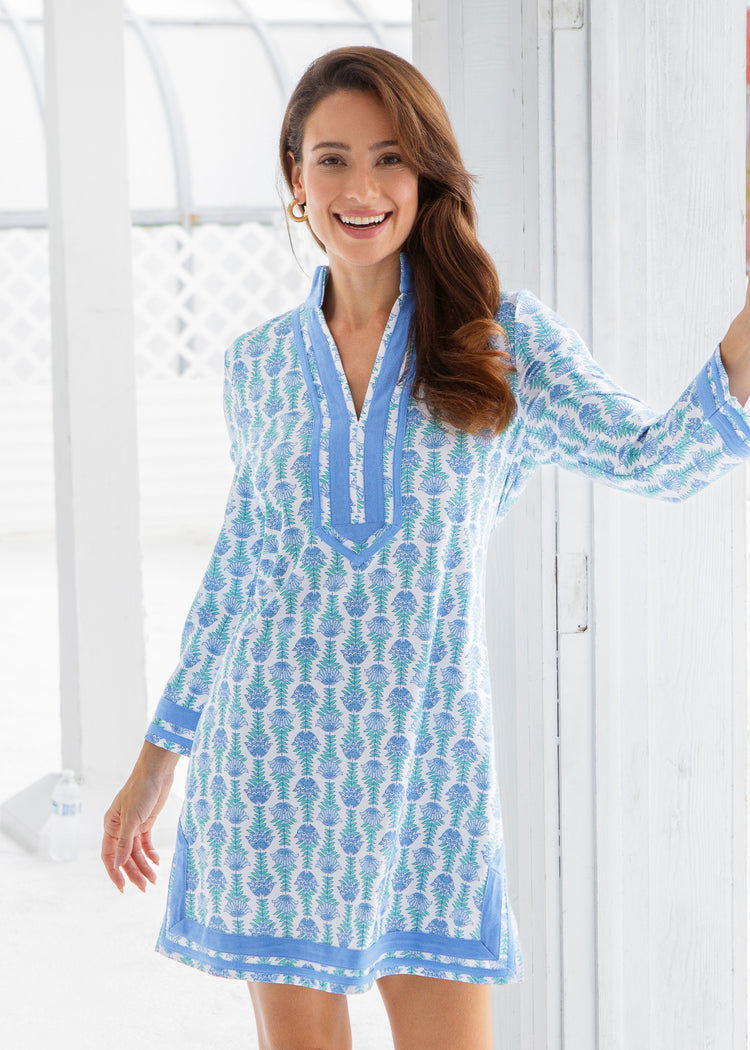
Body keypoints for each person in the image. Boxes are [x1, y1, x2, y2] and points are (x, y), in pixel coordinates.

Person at [101, 45, 750, 1050]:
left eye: (390, 159)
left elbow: (656, 460)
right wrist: (157, 761)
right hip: (269, 775)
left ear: (426, 175)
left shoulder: (504, 346)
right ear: (295, 178)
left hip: (427, 778)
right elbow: (239, 574)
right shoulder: (258, 367)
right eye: (332, 159)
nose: (360, 189)